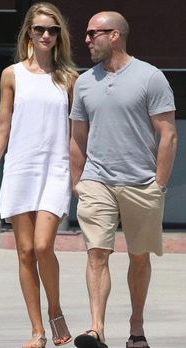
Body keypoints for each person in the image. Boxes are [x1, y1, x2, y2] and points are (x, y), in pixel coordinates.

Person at [70, 11, 177, 348]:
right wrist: (79, 183)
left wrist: (158, 183)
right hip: (97, 182)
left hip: (141, 183)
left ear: (114, 35)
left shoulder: (151, 77)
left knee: (139, 257)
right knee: (96, 254)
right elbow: (76, 138)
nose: (86, 40)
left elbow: (168, 134)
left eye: (92, 33)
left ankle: (136, 327)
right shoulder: (84, 81)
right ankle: (96, 329)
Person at [0, 2, 77, 348]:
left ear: (59, 34)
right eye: (39, 29)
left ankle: (55, 309)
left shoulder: (69, 78)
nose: (46, 34)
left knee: (43, 245)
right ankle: (37, 331)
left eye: (52, 29)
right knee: (24, 252)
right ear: (29, 34)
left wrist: (80, 175)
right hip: (21, 168)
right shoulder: (12, 74)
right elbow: (3, 125)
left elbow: (77, 133)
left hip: (56, 168)